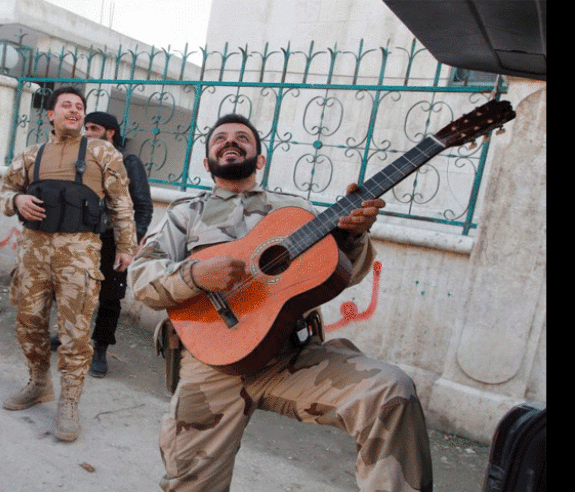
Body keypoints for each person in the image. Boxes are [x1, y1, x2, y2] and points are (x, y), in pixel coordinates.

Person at [128, 114, 433, 491]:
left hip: (292, 357)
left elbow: (345, 273)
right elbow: (141, 278)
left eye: (242, 137)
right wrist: (196, 275)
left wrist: (354, 237)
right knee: (190, 482)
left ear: (260, 160)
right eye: (219, 138)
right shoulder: (185, 214)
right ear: (207, 163)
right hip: (212, 363)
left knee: (392, 391)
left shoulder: (295, 211)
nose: (230, 141)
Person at [0, 87, 138, 441]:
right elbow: (2, 194)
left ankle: (69, 402)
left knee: (75, 332)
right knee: (29, 322)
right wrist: (17, 199)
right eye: (66, 106)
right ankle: (38, 383)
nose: (74, 111)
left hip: (79, 253)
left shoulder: (102, 152)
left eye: (79, 107)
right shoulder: (32, 155)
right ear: (51, 114)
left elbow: (122, 201)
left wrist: (126, 245)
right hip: (33, 251)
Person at [50, 111, 153, 378]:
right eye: (86, 128)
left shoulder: (129, 162)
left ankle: (101, 349)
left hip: (112, 241)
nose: (88, 133)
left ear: (110, 133)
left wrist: (128, 246)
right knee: (73, 289)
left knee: (109, 297)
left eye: (94, 129)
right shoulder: (81, 159)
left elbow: (142, 206)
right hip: (81, 236)